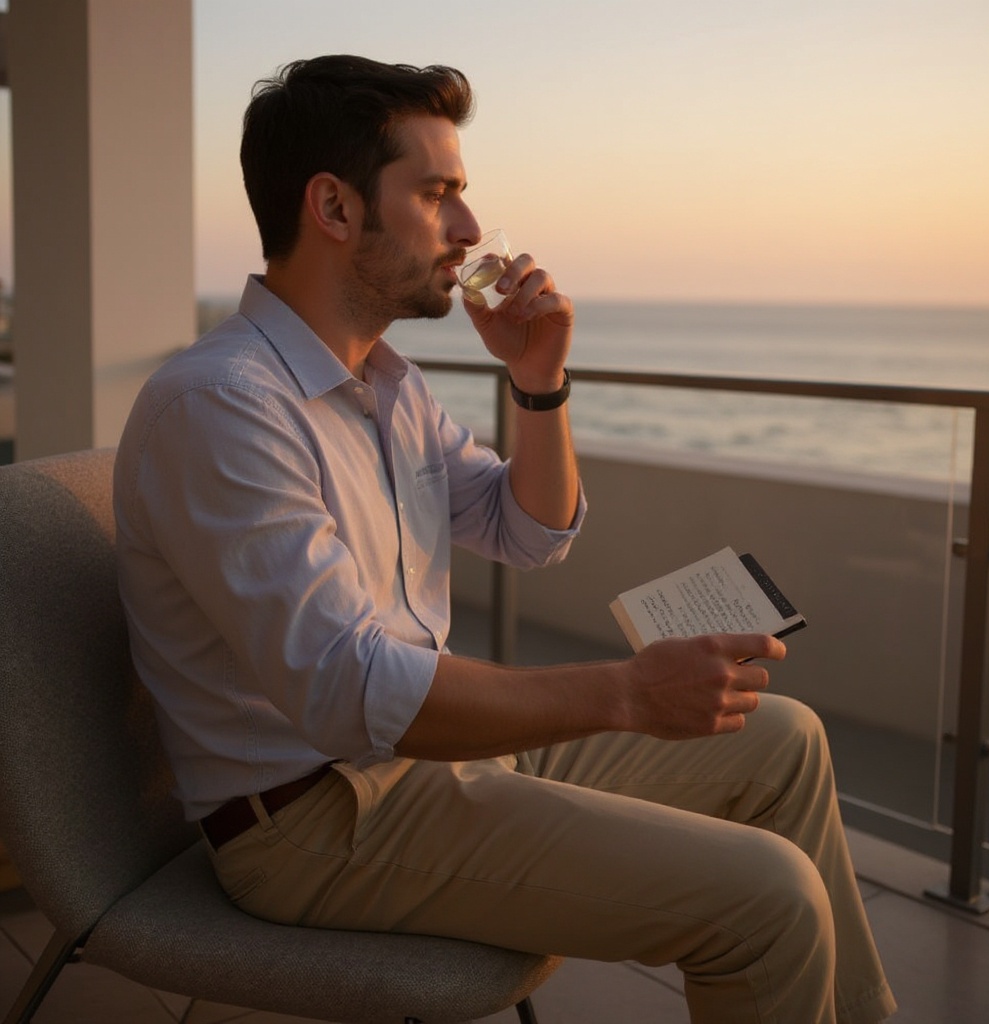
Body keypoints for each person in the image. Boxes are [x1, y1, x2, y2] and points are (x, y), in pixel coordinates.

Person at [113, 55, 896, 1023]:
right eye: (438, 193)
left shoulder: (387, 387)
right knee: (769, 900)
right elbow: (350, 688)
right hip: (317, 822)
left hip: (427, 766)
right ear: (335, 207)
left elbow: (527, 528)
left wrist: (539, 377)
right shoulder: (222, 407)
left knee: (783, 741)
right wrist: (623, 692)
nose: (471, 230)